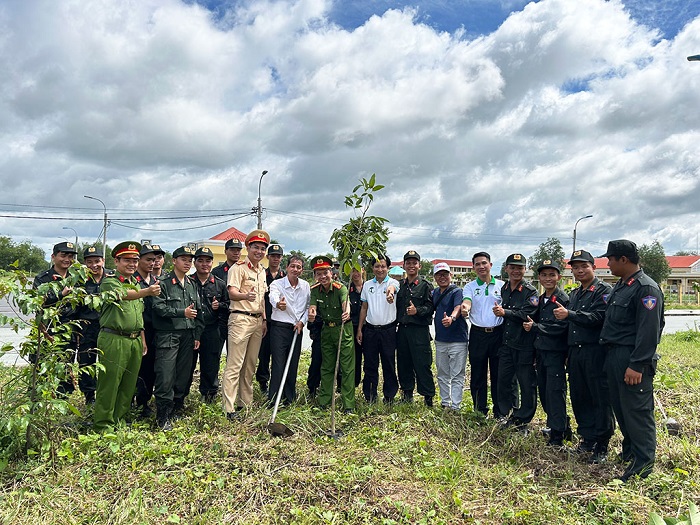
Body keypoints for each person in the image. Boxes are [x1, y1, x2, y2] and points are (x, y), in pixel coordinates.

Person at [599, 239, 664, 481]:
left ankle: (642, 466)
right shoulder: (622, 285)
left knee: (637, 411)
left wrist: (637, 364)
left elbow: (649, 331)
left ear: (623, 260)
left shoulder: (646, 289)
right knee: (621, 408)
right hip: (614, 355)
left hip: (632, 357)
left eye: (610, 259)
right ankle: (629, 454)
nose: (608, 263)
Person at [553, 249, 614, 463]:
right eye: (575, 267)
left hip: (595, 352)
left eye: (584, 266)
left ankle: (602, 444)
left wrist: (569, 314)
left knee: (599, 397)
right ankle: (587, 438)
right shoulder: (576, 293)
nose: (579, 270)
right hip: (576, 352)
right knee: (580, 396)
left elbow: (599, 317)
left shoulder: (603, 291)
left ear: (593, 268)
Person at [94, 241, 160, 432]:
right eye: (127, 260)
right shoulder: (109, 281)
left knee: (128, 384)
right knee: (110, 383)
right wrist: (146, 291)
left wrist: (143, 339)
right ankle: (103, 425)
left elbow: (137, 316)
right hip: (114, 338)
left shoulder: (135, 284)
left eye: (135, 260)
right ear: (116, 261)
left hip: (134, 340)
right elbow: (122, 295)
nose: (132, 264)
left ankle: (119, 420)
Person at [152, 246, 203, 430]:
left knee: (183, 375)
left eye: (190, 260)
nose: (187, 263)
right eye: (183, 259)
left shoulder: (191, 283)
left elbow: (198, 311)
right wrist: (182, 312)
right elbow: (158, 308)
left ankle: (176, 407)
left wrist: (197, 334)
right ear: (174, 261)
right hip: (168, 334)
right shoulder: (163, 282)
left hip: (188, 335)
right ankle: (163, 415)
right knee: (166, 375)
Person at [222, 230, 270, 420]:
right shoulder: (238, 268)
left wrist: (264, 319)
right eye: (256, 247)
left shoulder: (261, 271)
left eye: (262, 248)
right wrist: (245, 295)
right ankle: (229, 407)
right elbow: (232, 293)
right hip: (240, 319)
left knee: (250, 365)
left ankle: (245, 403)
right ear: (248, 248)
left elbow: (262, 298)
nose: (259, 251)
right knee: (235, 364)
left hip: (258, 321)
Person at [523, 260, 570, 446]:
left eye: (552, 275)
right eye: (544, 275)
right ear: (539, 278)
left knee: (555, 392)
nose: (548, 278)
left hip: (555, 353)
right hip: (541, 352)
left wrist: (536, 327)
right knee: (544, 391)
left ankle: (557, 436)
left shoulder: (562, 299)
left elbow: (560, 327)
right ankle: (559, 425)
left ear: (559, 277)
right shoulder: (541, 299)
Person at [493, 253, 538, 431]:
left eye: (519, 267)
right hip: (506, 343)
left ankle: (523, 419)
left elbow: (528, 314)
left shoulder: (530, 292)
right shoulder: (504, 288)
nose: (516, 271)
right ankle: (505, 414)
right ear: (506, 269)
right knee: (504, 381)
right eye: (512, 267)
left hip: (524, 345)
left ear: (525, 270)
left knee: (526, 384)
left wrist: (506, 312)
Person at [308, 256, 355, 413]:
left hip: (343, 330)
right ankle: (325, 400)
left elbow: (345, 302)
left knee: (347, 368)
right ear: (315, 276)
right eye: (318, 274)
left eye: (325, 272)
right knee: (326, 367)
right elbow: (313, 306)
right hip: (326, 331)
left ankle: (348, 404)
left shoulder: (340, 288)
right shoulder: (315, 290)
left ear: (331, 272)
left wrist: (346, 311)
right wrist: (312, 313)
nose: (322, 277)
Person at [33, 241, 79, 397]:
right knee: (42, 367)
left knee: (66, 367)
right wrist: (61, 294)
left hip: (69, 331)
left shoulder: (76, 278)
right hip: (49, 329)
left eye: (71, 256)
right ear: (53, 257)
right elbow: (38, 303)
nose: (67, 259)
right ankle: (40, 402)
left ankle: (62, 400)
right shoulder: (43, 278)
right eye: (63, 255)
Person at [461, 252, 505, 418]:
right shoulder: (470, 287)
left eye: (484, 263)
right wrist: (465, 308)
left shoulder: (502, 285)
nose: (481, 267)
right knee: (478, 374)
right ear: (473, 267)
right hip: (478, 334)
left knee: (498, 374)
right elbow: (467, 301)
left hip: (498, 335)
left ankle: (500, 411)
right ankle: (480, 410)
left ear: (491, 265)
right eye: (477, 264)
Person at [267, 254, 310, 405]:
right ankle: (273, 399)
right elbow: (273, 297)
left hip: (296, 329)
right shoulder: (276, 284)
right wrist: (279, 304)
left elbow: (307, 308)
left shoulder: (305, 286)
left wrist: (302, 322)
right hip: (279, 328)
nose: (295, 269)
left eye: (299, 267)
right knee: (278, 364)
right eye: (293, 266)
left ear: (302, 270)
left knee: (293, 364)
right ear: (287, 267)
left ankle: (289, 398)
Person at [356, 255, 399, 404]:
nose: (380, 269)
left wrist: (390, 293)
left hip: (388, 331)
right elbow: (364, 307)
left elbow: (392, 289)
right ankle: (370, 396)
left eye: (383, 266)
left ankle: (389, 396)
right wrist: (360, 329)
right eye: (377, 266)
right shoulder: (367, 285)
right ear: (372, 268)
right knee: (369, 364)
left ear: (388, 268)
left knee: (388, 363)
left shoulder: (393, 282)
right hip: (370, 331)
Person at [396, 250, 435, 406]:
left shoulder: (426, 286)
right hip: (403, 330)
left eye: (414, 263)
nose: (411, 266)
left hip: (419, 331)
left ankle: (428, 398)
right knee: (404, 363)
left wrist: (417, 311)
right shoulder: (400, 286)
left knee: (422, 364)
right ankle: (407, 395)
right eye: (408, 263)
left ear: (419, 265)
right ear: (404, 265)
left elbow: (431, 307)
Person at [74, 245, 112, 405]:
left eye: (97, 261)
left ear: (103, 260)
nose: (94, 265)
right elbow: (74, 307)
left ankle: (106, 394)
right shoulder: (80, 279)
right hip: (86, 328)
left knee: (108, 362)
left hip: (107, 328)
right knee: (86, 362)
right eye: (90, 262)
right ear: (85, 263)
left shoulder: (112, 277)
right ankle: (90, 397)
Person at [189, 247, 228, 403]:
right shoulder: (188, 282)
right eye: (201, 261)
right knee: (187, 365)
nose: (204, 264)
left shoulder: (219, 284)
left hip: (212, 330)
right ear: (195, 262)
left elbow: (228, 305)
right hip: (191, 330)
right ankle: (181, 396)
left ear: (212, 263)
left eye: (208, 261)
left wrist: (220, 306)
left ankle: (209, 395)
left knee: (211, 364)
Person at [432, 262, 468, 411]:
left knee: (457, 374)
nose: (442, 277)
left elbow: (458, 307)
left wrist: (452, 318)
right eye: (439, 275)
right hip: (440, 339)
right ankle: (445, 402)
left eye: (445, 274)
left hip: (457, 340)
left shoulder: (456, 291)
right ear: (434, 277)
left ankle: (456, 405)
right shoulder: (434, 293)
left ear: (450, 275)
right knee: (442, 373)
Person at [133, 243, 163, 418]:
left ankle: (144, 402)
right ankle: (129, 401)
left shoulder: (156, 281)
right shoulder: (132, 280)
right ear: (138, 261)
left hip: (155, 331)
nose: (152, 263)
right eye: (148, 259)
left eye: (155, 259)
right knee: (135, 369)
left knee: (150, 369)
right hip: (137, 330)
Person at [256, 243, 286, 394]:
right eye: (273, 256)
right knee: (264, 353)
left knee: (278, 354)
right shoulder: (262, 275)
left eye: (278, 256)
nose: (275, 259)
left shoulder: (285, 277)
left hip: (280, 321)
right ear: (267, 257)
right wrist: (263, 320)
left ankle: (278, 382)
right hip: (265, 320)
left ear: (281, 258)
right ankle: (263, 382)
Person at [212, 238, 242, 344]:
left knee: (235, 354)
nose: (236, 253)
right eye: (233, 250)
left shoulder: (243, 271)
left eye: (238, 250)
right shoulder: (217, 272)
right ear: (225, 251)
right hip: (220, 317)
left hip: (238, 317)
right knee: (216, 351)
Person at [348, 267, 365, 388]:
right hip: (352, 327)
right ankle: (353, 384)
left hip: (368, 327)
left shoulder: (369, 287)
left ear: (363, 270)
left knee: (369, 358)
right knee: (354, 357)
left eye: (358, 270)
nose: (355, 273)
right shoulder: (347, 290)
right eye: (352, 271)